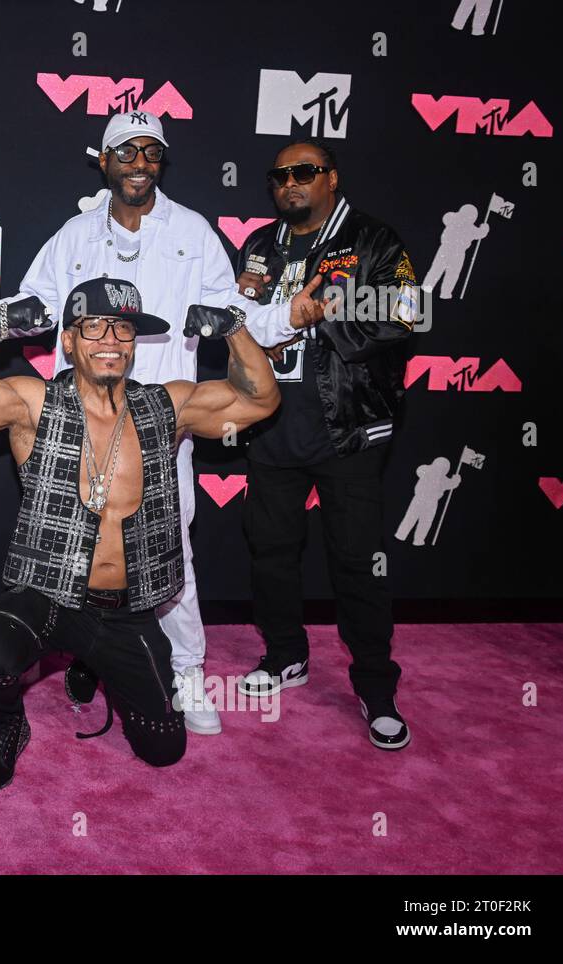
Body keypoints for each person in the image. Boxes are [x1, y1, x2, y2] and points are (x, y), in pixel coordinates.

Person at [0, 111, 326, 736]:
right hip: (79, 419)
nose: (139, 163)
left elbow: (234, 313)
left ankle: (189, 672)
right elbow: (29, 306)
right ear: (105, 161)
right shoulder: (73, 236)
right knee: (71, 548)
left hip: (162, 416)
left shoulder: (193, 232)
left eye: (151, 152)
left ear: (160, 162)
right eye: (126, 151)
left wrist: (288, 320)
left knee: (170, 555)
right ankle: (90, 652)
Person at [0, 279, 279, 792]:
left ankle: (95, 664)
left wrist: (235, 330)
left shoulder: (168, 405)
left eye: (123, 328)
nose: (110, 338)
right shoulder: (33, 402)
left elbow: (260, 401)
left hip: (125, 609)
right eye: (93, 327)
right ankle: (8, 725)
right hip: (47, 595)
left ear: (133, 343)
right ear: (68, 341)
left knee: (163, 749)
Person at [233, 138, 418, 750]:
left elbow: (406, 313)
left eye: (305, 172)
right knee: (271, 549)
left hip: (349, 426)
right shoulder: (261, 245)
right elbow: (236, 320)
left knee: (357, 562)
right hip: (271, 423)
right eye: (280, 176)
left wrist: (323, 319)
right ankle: (286, 655)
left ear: (331, 178)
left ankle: (375, 685)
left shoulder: (372, 238)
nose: (291, 184)